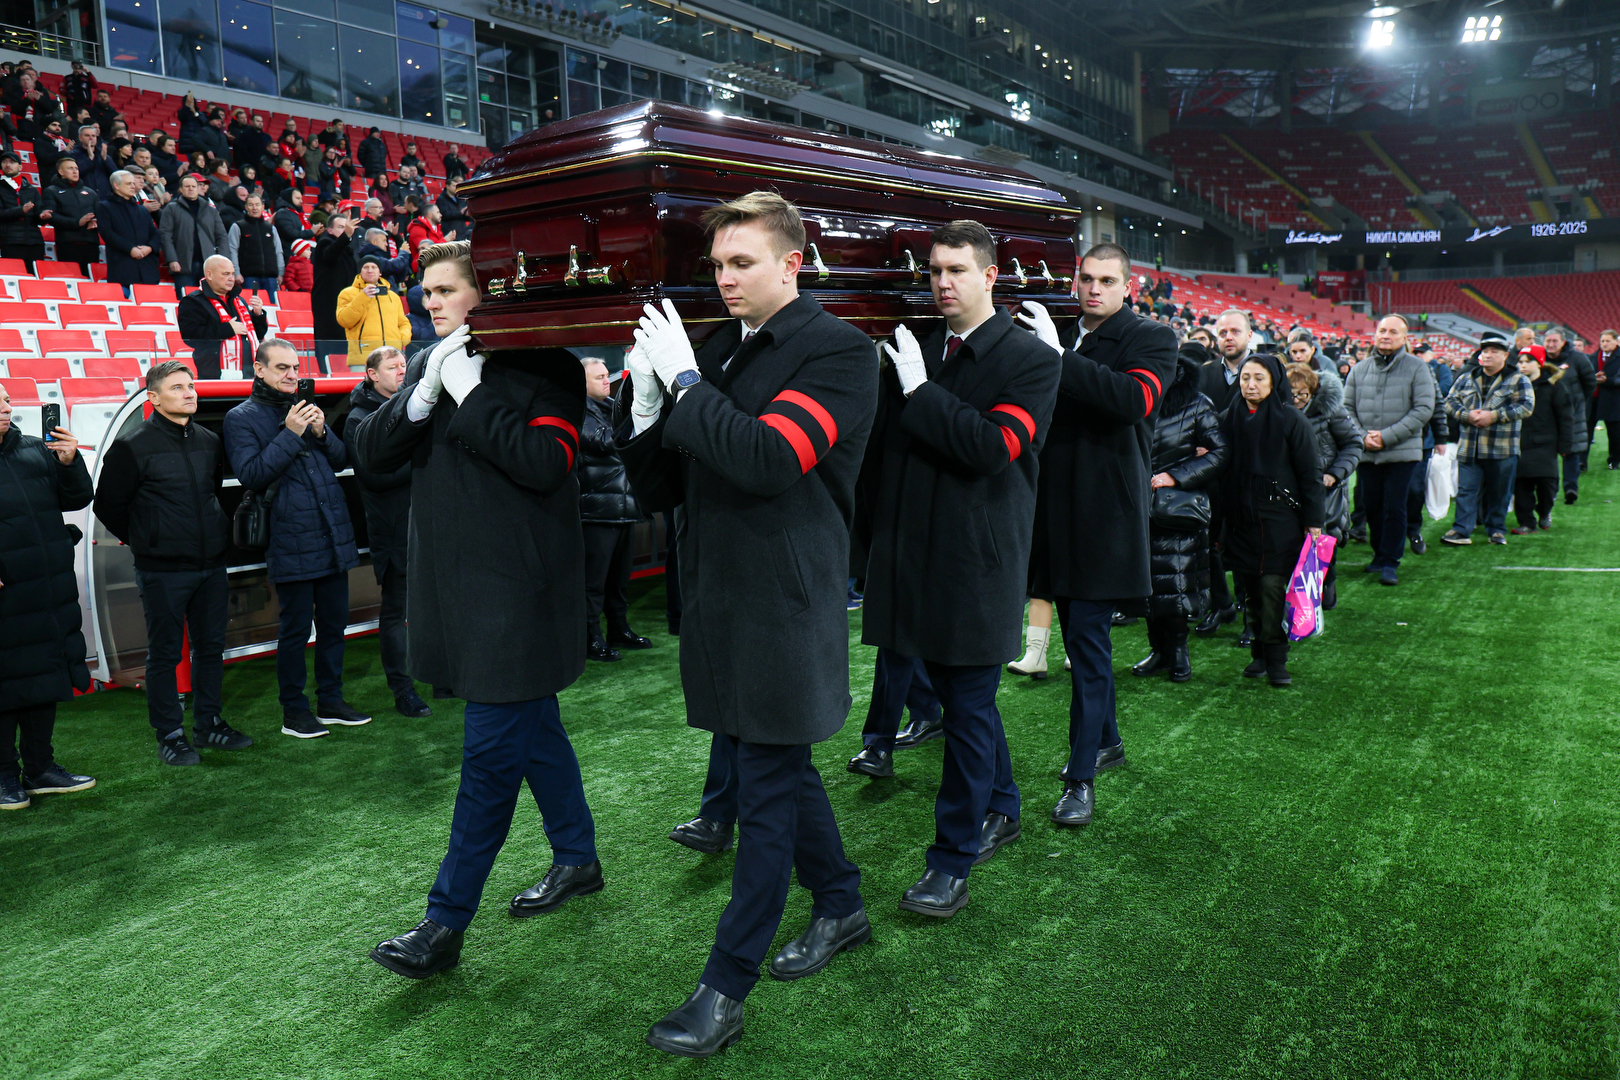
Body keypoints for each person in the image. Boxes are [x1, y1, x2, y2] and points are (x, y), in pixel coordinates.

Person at [618, 193, 876, 1057]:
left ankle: (725, 989)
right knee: (778, 769)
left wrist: (686, 383)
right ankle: (841, 902)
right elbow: (664, 489)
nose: (724, 279)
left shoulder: (839, 351)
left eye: (742, 263)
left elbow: (767, 460)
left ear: (791, 263)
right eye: (718, 264)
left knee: (765, 791)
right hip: (722, 599)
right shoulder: (721, 347)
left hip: (783, 607)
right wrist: (648, 405)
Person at [354, 241, 602, 977]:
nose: (428, 302)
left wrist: (469, 393)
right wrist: (422, 394)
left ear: (484, 294)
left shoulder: (550, 367)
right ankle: (578, 858)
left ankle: (444, 922)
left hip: (518, 602)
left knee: (490, 762)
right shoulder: (431, 363)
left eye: (443, 289)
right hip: (457, 597)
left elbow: (545, 465)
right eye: (424, 291)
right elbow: (369, 453)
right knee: (536, 734)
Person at [860, 219, 1059, 913]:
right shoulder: (919, 346)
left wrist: (920, 391)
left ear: (990, 276)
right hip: (912, 554)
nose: (942, 283)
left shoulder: (1031, 359)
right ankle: (1003, 803)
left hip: (977, 563)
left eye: (957, 270)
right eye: (935, 271)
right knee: (961, 702)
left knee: (967, 707)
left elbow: (990, 449)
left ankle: (952, 860)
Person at [1022, 242, 1177, 828]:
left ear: (1127, 286)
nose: (1093, 289)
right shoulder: (1060, 332)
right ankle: (1107, 740)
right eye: (1086, 278)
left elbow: (1132, 400)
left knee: (1086, 645)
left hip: (1103, 516)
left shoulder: (1151, 337)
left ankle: (1081, 776)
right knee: (1078, 636)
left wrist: (1057, 356)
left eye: (1106, 281)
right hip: (1051, 510)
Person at [93, 361, 250, 764]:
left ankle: (209, 724)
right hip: (162, 570)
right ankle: (170, 734)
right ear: (154, 398)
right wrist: (148, 540)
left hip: (211, 565)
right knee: (165, 654)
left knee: (211, 647)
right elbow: (108, 506)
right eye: (177, 387)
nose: (189, 392)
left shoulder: (209, 441)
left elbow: (212, 492)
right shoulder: (131, 446)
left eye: (190, 385)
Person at [223, 339, 370, 736]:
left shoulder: (304, 408)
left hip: (331, 533)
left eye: (295, 368)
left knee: (334, 626)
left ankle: (331, 701)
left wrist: (321, 431)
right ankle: (294, 711)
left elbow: (340, 460)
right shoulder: (240, 418)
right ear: (259, 369)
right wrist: (290, 433)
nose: (291, 375)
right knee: (296, 631)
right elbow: (252, 474)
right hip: (290, 540)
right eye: (282, 368)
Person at [0, 383, 96, 810]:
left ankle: (40, 769)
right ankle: (3, 775)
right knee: (5, 683)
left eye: (6, 399)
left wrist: (70, 463)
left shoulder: (37, 449)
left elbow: (76, 498)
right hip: (7, 592)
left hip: (45, 588)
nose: (6, 407)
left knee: (43, 676)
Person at [1220, 354, 1323, 687]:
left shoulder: (1291, 420)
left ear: (1274, 381)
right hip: (1240, 519)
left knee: (1272, 589)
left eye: (1258, 378)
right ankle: (1258, 655)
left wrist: (1314, 521)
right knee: (1249, 589)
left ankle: (1277, 659)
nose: (1250, 385)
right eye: (1245, 377)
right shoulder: (1228, 417)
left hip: (1280, 521)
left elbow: (1310, 473)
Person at [343, 347, 431, 718]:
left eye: (403, 365)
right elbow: (375, 475)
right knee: (396, 612)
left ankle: (441, 676)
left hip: (427, 524)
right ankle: (402, 690)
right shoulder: (358, 419)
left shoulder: (415, 406)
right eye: (392, 367)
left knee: (434, 606)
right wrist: (426, 461)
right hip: (393, 530)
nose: (400, 371)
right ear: (372, 374)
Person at [1133, 341, 1228, 683]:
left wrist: (1176, 476)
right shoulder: (1133, 396)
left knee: (1176, 584)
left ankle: (1177, 651)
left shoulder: (1197, 403)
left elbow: (1219, 452)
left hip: (1176, 510)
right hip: (1136, 506)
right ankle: (1158, 650)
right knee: (1146, 585)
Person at [1342, 315, 1433, 587]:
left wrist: (1386, 437)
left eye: (1393, 332)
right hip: (1367, 452)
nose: (1386, 335)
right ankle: (1379, 554)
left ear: (1404, 338)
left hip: (1401, 451)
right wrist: (1362, 436)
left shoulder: (1417, 368)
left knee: (1395, 506)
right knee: (1371, 505)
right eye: (1382, 330)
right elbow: (1346, 409)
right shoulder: (1359, 369)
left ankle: (1391, 559)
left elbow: (1423, 409)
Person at [579, 358, 651, 662]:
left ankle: (618, 629)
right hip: (597, 509)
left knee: (619, 580)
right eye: (599, 377)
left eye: (606, 375)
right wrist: (638, 420)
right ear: (582, 383)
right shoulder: (576, 410)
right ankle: (590, 639)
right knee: (594, 582)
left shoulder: (612, 407)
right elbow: (601, 441)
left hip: (623, 506)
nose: (607, 380)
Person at [1440, 332, 1534, 547]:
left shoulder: (1518, 379)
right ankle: (1461, 529)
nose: (1488, 355)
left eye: (1494, 351)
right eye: (1485, 351)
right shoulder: (1466, 378)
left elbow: (1526, 406)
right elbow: (1449, 402)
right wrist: (1466, 415)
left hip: (1502, 448)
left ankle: (1496, 530)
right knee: (1466, 491)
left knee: (1500, 492)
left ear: (1505, 355)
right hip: (1470, 446)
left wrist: (1494, 416)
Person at [1192, 309, 1252, 638]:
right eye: (1223, 332)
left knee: (1246, 542)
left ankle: (1249, 610)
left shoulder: (1265, 371)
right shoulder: (1203, 373)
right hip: (1210, 476)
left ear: (1249, 335)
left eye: (1235, 331)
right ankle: (1221, 604)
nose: (1228, 337)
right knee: (1208, 541)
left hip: (1248, 473)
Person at [1289, 362, 1362, 611]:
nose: (1296, 400)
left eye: (1302, 394)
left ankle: (1327, 581)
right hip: (1292, 489)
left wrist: (1334, 474)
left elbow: (1353, 443)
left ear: (1313, 390)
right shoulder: (1280, 412)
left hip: (1326, 491)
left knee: (1324, 539)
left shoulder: (1331, 411)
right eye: (1291, 394)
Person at [1511, 350, 1575, 534]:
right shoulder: (1514, 387)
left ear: (1539, 363)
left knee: (1547, 484)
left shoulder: (1554, 387)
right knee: (1521, 484)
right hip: (1520, 442)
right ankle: (1527, 522)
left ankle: (1544, 510)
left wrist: (1565, 444)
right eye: (1520, 362)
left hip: (1546, 443)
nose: (1522, 365)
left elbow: (1566, 417)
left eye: (1527, 361)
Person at [177, 255, 266, 379]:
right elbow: (191, 337)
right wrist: (228, 329)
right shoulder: (193, 301)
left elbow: (258, 335)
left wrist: (258, 315)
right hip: (214, 374)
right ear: (209, 275)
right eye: (226, 274)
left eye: (233, 274)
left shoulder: (239, 301)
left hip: (249, 372)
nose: (231, 278)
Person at [1404, 342, 1453, 556]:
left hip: (1419, 440)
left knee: (1415, 489)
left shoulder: (1427, 370)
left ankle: (1413, 530)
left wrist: (1440, 436)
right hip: (1385, 441)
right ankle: (1385, 538)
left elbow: (1437, 401)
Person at [1542, 327, 1593, 504]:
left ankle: (1571, 488)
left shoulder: (1578, 358)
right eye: (1548, 341)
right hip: (1547, 414)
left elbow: (1589, 382)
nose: (1551, 344)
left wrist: (1577, 401)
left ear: (1563, 342)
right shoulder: (1540, 359)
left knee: (1571, 451)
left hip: (1572, 413)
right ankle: (1551, 490)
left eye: (1554, 341)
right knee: (1548, 453)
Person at [159, 173, 228, 300]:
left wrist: (223, 262)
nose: (190, 189)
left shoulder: (210, 210)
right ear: (180, 189)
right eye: (187, 186)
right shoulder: (171, 208)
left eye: (193, 186)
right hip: (183, 264)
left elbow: (222, 236)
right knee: (186, 301)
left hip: (208, 266)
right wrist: (172, 259)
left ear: (198, 188)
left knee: (209, 301)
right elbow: (165, 236)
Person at [336, 257, 412, 369]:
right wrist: (363, 296)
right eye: (366, 267)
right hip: (362, 359)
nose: (370, 270)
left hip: (392, 357)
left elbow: (403, 323)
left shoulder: (393, 297)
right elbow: (344, 320)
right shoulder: (347, 293)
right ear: (360, 271)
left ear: (380, 272)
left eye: (374, 267)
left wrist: (401, 339)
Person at [98, 169, 161, 293]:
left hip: (148, 269)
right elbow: (107, 233)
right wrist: (130, 249)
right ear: (116, 186)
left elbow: (155, 233)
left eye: (133, 183)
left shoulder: (142, 210)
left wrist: (149, 248)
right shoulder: (105, 206)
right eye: (128, 183)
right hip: (122, 269)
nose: (133, 186)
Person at [312, 214, 359, 365]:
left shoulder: (347, 248)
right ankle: (327, 369)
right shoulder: (324, 242)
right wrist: (346, 236)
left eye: (346, 227)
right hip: (328, 303)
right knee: (330, 341)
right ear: (330, 230)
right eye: (340, 227)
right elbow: (330, 255)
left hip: (345, 302)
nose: (345, 230)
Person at [42, 156, 100, 275]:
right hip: (68, 243)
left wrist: (95, 221)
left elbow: (100, 214)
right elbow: (52, 216)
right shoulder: (51, 191)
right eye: (70, 168)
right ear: (61, 172)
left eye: (76, 168)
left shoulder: (91, 193)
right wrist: (77, 222)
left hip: (91, 243)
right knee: (73, 278)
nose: (75, 171)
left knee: (92, 280)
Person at [225, 193, 283, 302]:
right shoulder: (238, 226)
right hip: (248, 278)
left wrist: (280, 273)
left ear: (263, 207)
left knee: (271, 307)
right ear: (246, 207)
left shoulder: (270, 228)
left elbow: (278, 251)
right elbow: (232, 250)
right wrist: (236, 273)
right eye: (251, 205)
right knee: (251, 306)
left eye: (257, 204)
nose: (254, 208)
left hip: (270, 278)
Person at [0, 150, 43, 270]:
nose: (8, 165)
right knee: (15, 274)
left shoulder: (31, 189)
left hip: (34, 241)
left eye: (12, 162)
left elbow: (39, 213)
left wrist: (43, 216)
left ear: (20, 166)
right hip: (10, 241)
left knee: (36, 277)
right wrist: (20, 211)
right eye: (4, 162)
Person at [1593, 329, 1620, 469]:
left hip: (1614, 400)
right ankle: (1581, 462)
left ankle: (1614, 460)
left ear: (1616, 341)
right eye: (1602, 341)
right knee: (1587, 431)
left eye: (1608, 341)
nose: (1605, 344)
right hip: (1595, 400)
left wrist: (1607, 381)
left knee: (1615, 433)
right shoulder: (1594, 356)